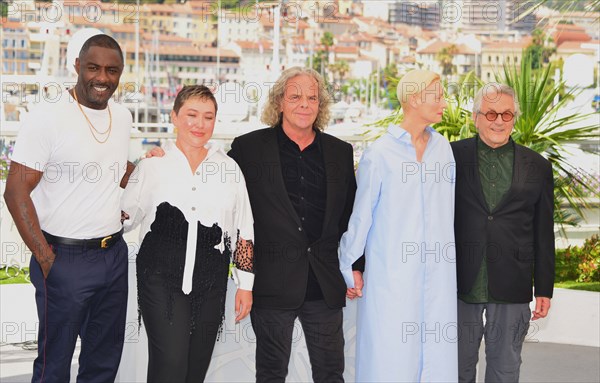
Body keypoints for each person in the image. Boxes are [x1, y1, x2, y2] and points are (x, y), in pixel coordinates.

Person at [3, 34, 132, 382]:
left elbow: (117, 169)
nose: (102, 78)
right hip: (64, 257)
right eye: (93, 68)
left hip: (113, 255)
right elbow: (15, 192)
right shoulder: (48, 117)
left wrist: (154, 166)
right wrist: (46, 259)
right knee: (54, 364)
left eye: (112, 70)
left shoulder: (123, 117)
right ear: (77, 66)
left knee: (103, 361)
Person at [228, 67, 364, 382]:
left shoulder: (339, 153)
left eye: (312, 97)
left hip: (324, 281)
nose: (304, 104)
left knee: (331, 372)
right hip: (271, 282)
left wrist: (355, 265)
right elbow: (222, 191)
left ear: (321, 105)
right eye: (295, 96)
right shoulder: (249, 149)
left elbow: (351, 217)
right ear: (279, 103)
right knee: (272, 373)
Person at [121, 85, 254, 382]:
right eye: (191, 115)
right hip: (159, 276)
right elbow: (125, 218)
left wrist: (246, 283)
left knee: (195, 369)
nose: (199, 124)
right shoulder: (154, 165)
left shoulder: (229, 170)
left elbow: (244, 229)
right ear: (175, 117)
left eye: (208, 117)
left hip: (211, 280)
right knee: (171, 363)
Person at [339, 69, 458, 382]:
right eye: (438, 96)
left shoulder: (443, 150)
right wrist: (349, 264)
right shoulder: (380, 154)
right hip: (390, 279)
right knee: (388, 359)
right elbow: (361, 216)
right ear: (416, 99)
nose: (445, 103)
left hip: (438, 278)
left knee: (437, 360)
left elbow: (449, 210)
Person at [452, 83, 555, 383]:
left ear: (515, 119)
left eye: (507, 114)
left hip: (513, 283)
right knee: (456, 368)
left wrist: (544, 288)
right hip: (459, 283)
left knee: (505, 369)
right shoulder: (450, 157)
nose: (499, 121)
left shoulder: (537, 166)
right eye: (492, 113)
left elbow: (543, 232)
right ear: (476, 117)